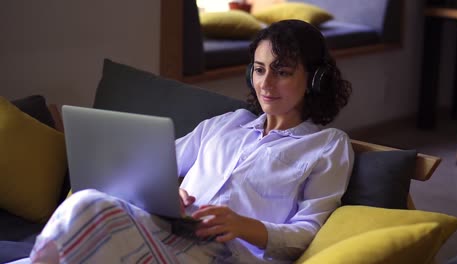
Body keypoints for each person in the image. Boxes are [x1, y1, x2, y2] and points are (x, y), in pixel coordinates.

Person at [30, 19, 353, 264]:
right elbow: (152, 164)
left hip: (232, 253)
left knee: (90, 212)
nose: (265, 83)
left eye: (281, 72)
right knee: (86, 202)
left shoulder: (327, 145)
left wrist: (242, 226)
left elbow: (307, 232)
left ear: (314, 79)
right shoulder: (226, 125)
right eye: (258, 70)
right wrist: (164, 192)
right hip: (173, 234)